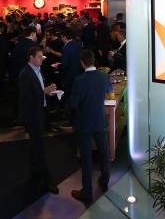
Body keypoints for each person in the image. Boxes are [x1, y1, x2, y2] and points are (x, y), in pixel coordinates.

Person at [69, 49, 112, 203]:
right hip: (100, 120)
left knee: (86, 159)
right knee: (104, 152)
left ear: (82, 63)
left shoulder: (79, 81)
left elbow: (74, 104)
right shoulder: (103, 76)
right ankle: (105, 181)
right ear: (93, 60)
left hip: (84, 123)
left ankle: (87, 192)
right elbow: (109, 91)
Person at [18, 46, 59, 194]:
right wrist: (44, 92)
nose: (42, 59)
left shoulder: (38, 71)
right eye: (39, 57)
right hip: (33, 116)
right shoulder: (25, 74)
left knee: (36, 146)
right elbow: (26, 98)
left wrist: (48, 91)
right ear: (31, 57)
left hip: (40, 112)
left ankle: (34, 172)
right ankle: (47, 179)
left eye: (42, 57)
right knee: (39, 147)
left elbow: (38, 91)